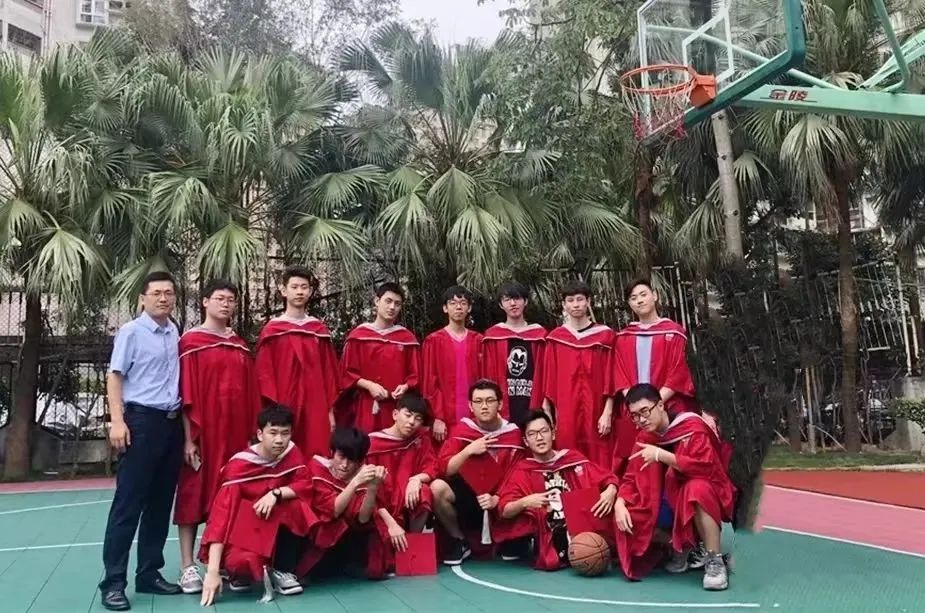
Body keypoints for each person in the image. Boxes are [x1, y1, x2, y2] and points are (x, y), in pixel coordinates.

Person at [99, 271, 184, 611]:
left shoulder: (174, 331)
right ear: (142, 298)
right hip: (141, 422)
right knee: (128, 505)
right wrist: (117, 421)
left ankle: (149, 573)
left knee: (160, 504)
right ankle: (113, 583)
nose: (163, 298)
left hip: (171, 425)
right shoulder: (131, 332)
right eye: (157, 293)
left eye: (169, 293)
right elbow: (115, 376)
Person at [173, 279, 261, 594]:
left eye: (230, 300)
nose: (226, 304)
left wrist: (252, 438)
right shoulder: (191, 342)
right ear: (205, 302)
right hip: (203, 433)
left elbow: (250, 395)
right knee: (193, 495)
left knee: (232, 496)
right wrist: (188, 438)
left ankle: (225, 563)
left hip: (235, 435)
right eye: (220, 298)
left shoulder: (240, 345)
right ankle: (187, 567)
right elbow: (186, 393)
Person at [613, 384, 735, 591]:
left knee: (697, 489)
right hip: (665, 505)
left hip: (696, 501)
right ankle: (683, 547)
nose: (641, 420)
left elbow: (706, 468)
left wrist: (662, 456)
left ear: (661, 405)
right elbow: (630, 478)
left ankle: (714, 561)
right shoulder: (645, 437)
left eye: (645, 411)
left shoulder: (691, 427)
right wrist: (620, 502)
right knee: (625, 518)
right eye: (635, 416)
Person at [198, 406, 317, 606]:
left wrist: (276, 493)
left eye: (285, 433)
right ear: (260, 434)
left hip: (275, 527)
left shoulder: (291, 453)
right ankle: (233, 571)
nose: (279, 440)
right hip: (246, 532)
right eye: (273, 433)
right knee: (242, 563)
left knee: (297, 507)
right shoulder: (239, 466)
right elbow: (221, 519)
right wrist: (212, 571)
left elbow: (305, 485)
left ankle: (281, 570)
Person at [496, 410, 618, 571]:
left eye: (544, 431)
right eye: (532, 434)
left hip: (579, 528)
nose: (539, 438)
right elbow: (504, 510)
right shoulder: (522, 471)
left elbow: (608, 479)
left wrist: (611, 490)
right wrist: (525, 501)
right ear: (525, 441)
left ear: (553, 433)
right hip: (547, 531)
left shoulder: (572, 460)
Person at [430, 379, 526, 565]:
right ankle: (459, 540)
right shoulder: (463, 430)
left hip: (502, 497)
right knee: (436, 488)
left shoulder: (513, 435)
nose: (484, 406)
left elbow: (518, 475)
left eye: (490, 401)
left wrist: (497, 498)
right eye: (478, 401)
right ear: (470, 406)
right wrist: (468, 451)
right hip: (469, 495)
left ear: (500, 404)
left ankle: (512, 538)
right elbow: (445, 469)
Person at [297, 427, 407, 581]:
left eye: (352, 460)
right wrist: (354, 483)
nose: (345, 465)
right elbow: (333, 510)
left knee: (373, 536)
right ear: (332, 452)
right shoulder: (318, 468)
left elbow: (363, 519)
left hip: (352, 535)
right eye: (341, 457)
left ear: (360, 461)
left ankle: (354, 565)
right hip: (320, 536)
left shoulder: (366, 474)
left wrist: (373, 487)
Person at [612, 278, 697, 474]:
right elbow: (620, 375)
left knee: (673, 462)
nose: (639, 300)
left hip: (668, 406)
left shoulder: (675, 333)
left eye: (643, 294)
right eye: (633, 298)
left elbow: (678, 373)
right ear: (629, 304)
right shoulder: (624, 337)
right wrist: (638, 409)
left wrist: (654, 405)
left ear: (655, 296)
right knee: (634, 466)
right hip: (634, 412)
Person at [256, 265, 340, 457]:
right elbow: (264, 374)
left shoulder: (318, 330)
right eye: (294, 287)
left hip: (316, 404)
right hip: (282, 401)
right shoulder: (273, 331)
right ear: (283, 290)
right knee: (283, 452)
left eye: (304, 287)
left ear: (310, 291)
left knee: (316, 449)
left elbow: (329, 374)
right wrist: (272, 409)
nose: (300, 291)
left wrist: (329, 412)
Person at [542, 281, 616, 468]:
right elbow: (549, 379)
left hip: (597, 409)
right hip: (566, 410)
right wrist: (549, 413)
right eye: (570, 300)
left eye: (580, 299)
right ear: (563, 305)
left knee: (599, 455)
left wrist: (607, 412)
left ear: (588, 302)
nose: (575, 304)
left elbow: (611, 377)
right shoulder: (556, 338)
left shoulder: (605, 337)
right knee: (569, 456)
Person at [338, 282, 421, 432]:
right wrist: (369, 385)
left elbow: (415, 374)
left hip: (397, 407)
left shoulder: (407, 339)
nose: (392, 307)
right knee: (366, 442)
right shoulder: (359, 336)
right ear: (377, 301)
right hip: (365, 405)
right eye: (388, 301)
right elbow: (346, 373)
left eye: (397, 304)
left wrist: (406, 386)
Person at [367, 392, 438, 532]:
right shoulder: (372, 443)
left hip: (407, 503)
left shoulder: (420, 441)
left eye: (418, 418)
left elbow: (432, 466)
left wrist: (416, 479)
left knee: (425, 491)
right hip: (379, 504)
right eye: (408, 415)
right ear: (395, 414)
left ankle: (414, 538)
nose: (412, 422)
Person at [480, 282, 547, 427]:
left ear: (525, 301)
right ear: (501, 305)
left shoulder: (540, 336)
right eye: (507, 300)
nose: (512, 304)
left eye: (517, 298)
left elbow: (546, 373)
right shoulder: (492, 337)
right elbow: (487, 374)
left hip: (533, 400)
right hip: (503, 405)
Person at [422, 285, 483, 443]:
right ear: (445, 308)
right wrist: (438, 417)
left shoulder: (479, 341)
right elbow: (429, 383)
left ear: (469, 308)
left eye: (463, 303)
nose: (458, 307)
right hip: (446, 418)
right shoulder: (433, 341)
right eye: (453, 303)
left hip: (476, 415)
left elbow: (485, 381)